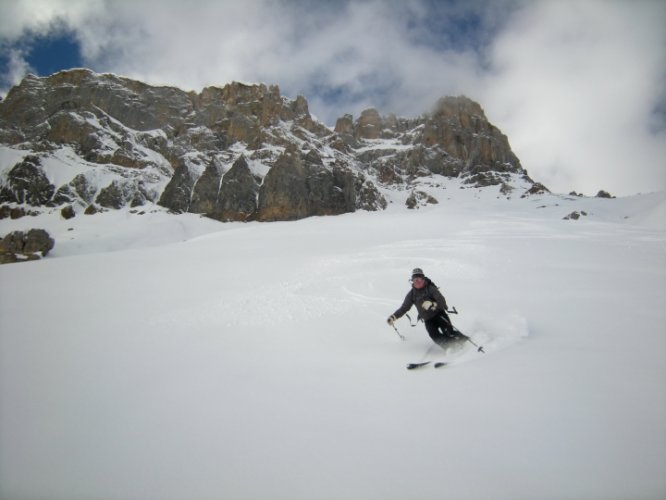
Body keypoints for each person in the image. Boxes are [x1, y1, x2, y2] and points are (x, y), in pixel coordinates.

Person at [387, 268, 466, 351]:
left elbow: (442, 301)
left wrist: (433, 304)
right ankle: (450, 348)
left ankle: (465, 342)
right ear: (412, 281)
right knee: (434, 335)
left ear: (423, 279)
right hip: (428, 319)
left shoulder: (430, 288)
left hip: (439, 314)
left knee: (449, 331)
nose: (418, 281)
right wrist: (394, 317)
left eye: (420, 279)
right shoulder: (411, 294)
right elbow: (404, 308)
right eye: (415, 279)